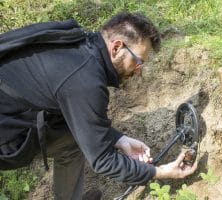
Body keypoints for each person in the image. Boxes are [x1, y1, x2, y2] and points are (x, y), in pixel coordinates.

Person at [0, 12, 197, 199]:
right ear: (117, 47)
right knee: (73, 143)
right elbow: (103, 161)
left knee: (74, 139)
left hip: (13, 108)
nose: (138, 70)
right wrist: (160, 171)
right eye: (137, 61)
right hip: (7, 135)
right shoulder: (86, 82)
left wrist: (119, 139)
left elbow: (80, 117)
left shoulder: (77, 42)